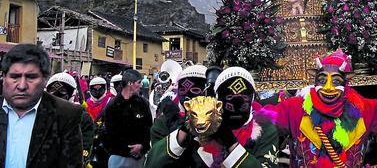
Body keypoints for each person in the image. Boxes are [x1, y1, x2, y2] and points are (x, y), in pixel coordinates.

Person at [267, 49, 377, 167]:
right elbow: (262, 121)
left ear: (346, 82)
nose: (328, 88)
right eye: (322, 80)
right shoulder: (295, 109)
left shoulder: (365, 109)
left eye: (336, 81)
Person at [145, 66, 280, 167]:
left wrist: (230, 143)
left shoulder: (265, 130)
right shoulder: (199, 124)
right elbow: (152, 163)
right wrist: (184, 131)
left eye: (243, 99)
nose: (236, 105)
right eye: (229, 98)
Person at [0, 44, 83, 167]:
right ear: (4, 77)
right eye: (15, 77)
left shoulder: (65, 115)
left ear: (44, 79)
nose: (22, 86)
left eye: (31, 77)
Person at [103, 69, 152, 167]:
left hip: (139, 158)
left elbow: (149, 127)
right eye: (139, 82)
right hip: (118, 158)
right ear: (130, 83)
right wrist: (127, 149)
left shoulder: (143, 104)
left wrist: (142, 146)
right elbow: (108, 134)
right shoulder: (112, 106)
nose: (141, 85)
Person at [150, 64, 207, 145]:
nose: (187, 97)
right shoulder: (164, 120)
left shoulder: (219, 118)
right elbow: (156, 154)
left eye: (195, 90)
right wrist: (184, 130)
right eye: (183, 90)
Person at [46, 72, 95, 165]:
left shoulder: (82, 117)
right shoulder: (41, 115)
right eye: (53, 93)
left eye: (62, 93)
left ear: (71, 95)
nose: (57, 99)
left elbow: (83, 150)